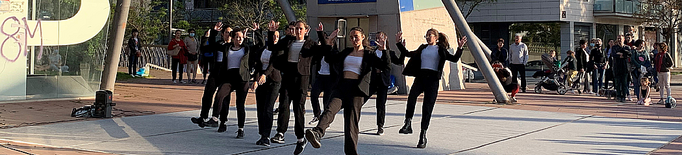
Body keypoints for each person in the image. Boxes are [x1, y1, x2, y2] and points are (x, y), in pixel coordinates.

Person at [304, 26, 389, 155]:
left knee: (351, 124)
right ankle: (317, 132)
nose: (353, 39)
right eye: (351, 37)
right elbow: (329, 58)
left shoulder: (369, 54)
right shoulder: (347, 52)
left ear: (362, 37)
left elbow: (385, 65)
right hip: (342, 86)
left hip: (357, 90)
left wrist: (384, 50)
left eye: (356, 36)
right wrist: (327, 40)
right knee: (330, 109)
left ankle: (351, 153)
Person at [267, 20, 333, 155]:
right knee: (284, 104)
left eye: (300, 29)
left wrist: (320, 34)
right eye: (296, 28)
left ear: (306, 30)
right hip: (288, 75)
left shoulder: (310, 44)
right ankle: (280, 132)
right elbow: (271, 48)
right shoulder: (288, 41)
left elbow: (325, 50)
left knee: (298, 108)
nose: (297, 31)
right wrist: (271, 32)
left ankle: (300, 138)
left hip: (302, 77)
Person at [394, 29, 467, 148]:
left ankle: (423, 135)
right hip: (421, 76)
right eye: (426, 35)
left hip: (432, 79)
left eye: (430, 35)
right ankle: (408, 123)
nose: (428, 38)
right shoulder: (422, 48)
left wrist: (460, 48)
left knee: (427, 107)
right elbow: (408, 54)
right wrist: (398, 43)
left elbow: (453, 59)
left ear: (436, 37)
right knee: (411, 98)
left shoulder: (440, 50)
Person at [212, 27, 262, 138]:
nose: (239, 39)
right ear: (233, 38)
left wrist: (257, 32)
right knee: (220, 95)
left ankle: (240, 129)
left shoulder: (247, 49)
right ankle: (216, 119)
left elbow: (261, 45)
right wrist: (214, 32)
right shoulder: (226, 47)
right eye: (237, 37)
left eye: (241, 37)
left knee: (240, 104)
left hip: (242, 79)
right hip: (229, 77)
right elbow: (213, 45)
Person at [190, 23, 231, 128]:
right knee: (208, 94)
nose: (228, 35)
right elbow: (208, 47)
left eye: (230, 33)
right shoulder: (219, 43)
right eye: (226, 32)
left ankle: (221, 120)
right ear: (222, 34)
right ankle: (203, 117)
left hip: (226, 74)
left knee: (223, 98)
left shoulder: (233, 46)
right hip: (215, 72)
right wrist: (213, 33)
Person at [362, 31, 401, 135]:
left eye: (381, 38)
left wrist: (401, 48)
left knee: (380, 104)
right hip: (372, 80)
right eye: (377, 38)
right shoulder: (372, 52)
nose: (379, 40)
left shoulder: (389, 53)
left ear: (385, 38)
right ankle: (353, 121)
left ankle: (380, 126)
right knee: (361, 99)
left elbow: (399, 62)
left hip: (383, 81)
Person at [253, 23, 284, 147]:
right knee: (260, 109)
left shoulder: (279, 50)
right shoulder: (262, 50)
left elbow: (273, 65)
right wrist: (255, 80)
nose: (275, 38)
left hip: (274, 81)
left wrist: (265, 74)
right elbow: (258, 66)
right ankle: (262, 135)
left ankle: (266, 135)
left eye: (277, 36)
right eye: (273, 36)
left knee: (268, 108)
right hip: (261, 81)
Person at [308, 31, 339, 125]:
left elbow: (330, 59)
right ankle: (317, 114)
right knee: (313, 94)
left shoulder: (335, 53)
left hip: (330, 78)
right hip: (320, 76)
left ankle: (325, 121)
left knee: (327, 100)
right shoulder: (321, 51)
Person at [612, 35, 632, 102]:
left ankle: (624, 96)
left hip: (625, 67)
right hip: (617, 66)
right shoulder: (614, 47)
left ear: (623, 39)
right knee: (617, 82)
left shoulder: (627, 47)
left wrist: (622, 54)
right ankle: (618, 95)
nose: (619, 40)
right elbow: (614, 54)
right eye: (618, 39)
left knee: (624, 82)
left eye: (620, 39)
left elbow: (629, 54)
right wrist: (620, 55)